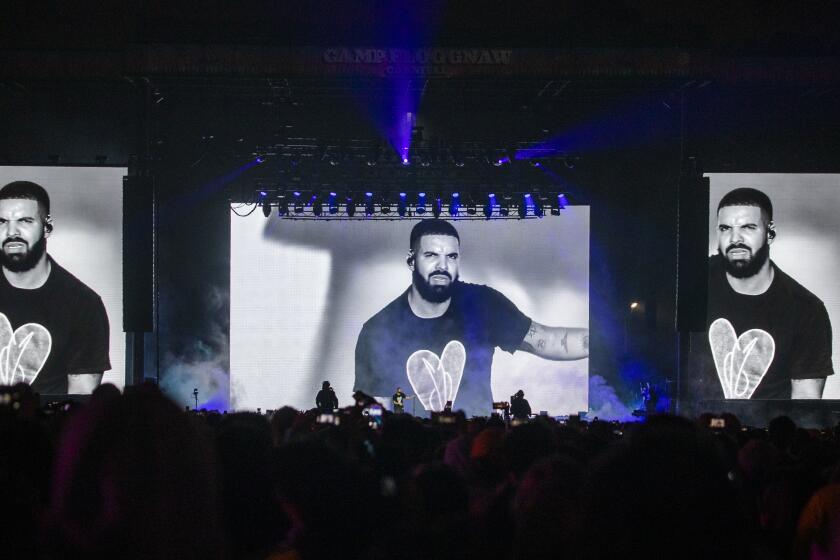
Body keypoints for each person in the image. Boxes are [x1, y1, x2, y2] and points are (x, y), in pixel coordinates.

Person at [354, 218, 588, 418]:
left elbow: (547, 340)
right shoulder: (378, 329)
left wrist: (600, 341)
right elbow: (372, 406)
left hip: (474, 453)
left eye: (451, 256)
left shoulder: (483, 303)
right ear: (411, 260)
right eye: (431, 255)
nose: (443, 266)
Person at [703, 187, 833, 399]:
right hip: (691, 429)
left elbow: (806, 401)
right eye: (725, 228)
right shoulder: (691, 285)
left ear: (770, 233)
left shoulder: (805, 309)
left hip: (768, 430)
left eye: (748, 227)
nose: (735, 238)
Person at [0, 181, 110, 395]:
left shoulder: (83, 304)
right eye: (2, 221)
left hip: (46, 428)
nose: (11, 232)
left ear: (47, 227)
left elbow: (79, 400)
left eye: (24, 220)